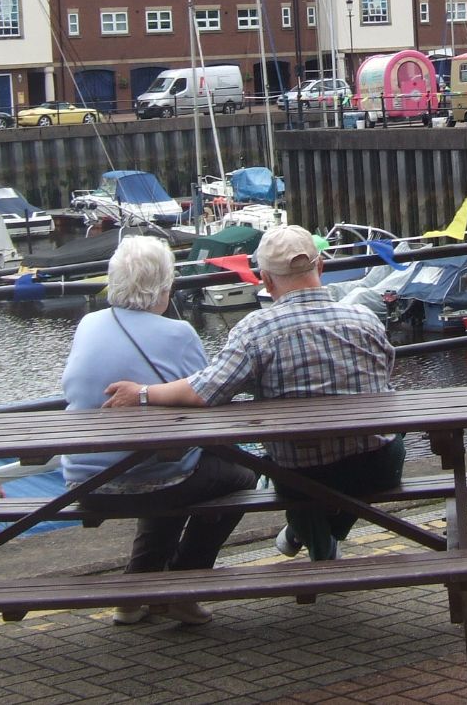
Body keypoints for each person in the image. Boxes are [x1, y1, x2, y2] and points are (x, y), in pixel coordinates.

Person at [103, 225, 401, 563]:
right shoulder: (366, 319)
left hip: (303, 473)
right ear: (320, 267)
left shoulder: (256, 330)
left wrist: (142, 393)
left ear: (266, 280)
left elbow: (205, 391)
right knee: (374, 451)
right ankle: (315, 537)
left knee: (292, 472)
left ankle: (313, 539)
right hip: (378, 467)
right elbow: (385, 376)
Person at [61, 235, 257, 626]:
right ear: (165, 287)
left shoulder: (88, 324)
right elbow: (210, 400)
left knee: (169, 463)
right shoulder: (178, 334)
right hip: (150, 479)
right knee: (238, 478)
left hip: (85, 480)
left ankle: (136, 595)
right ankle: (183, 587)